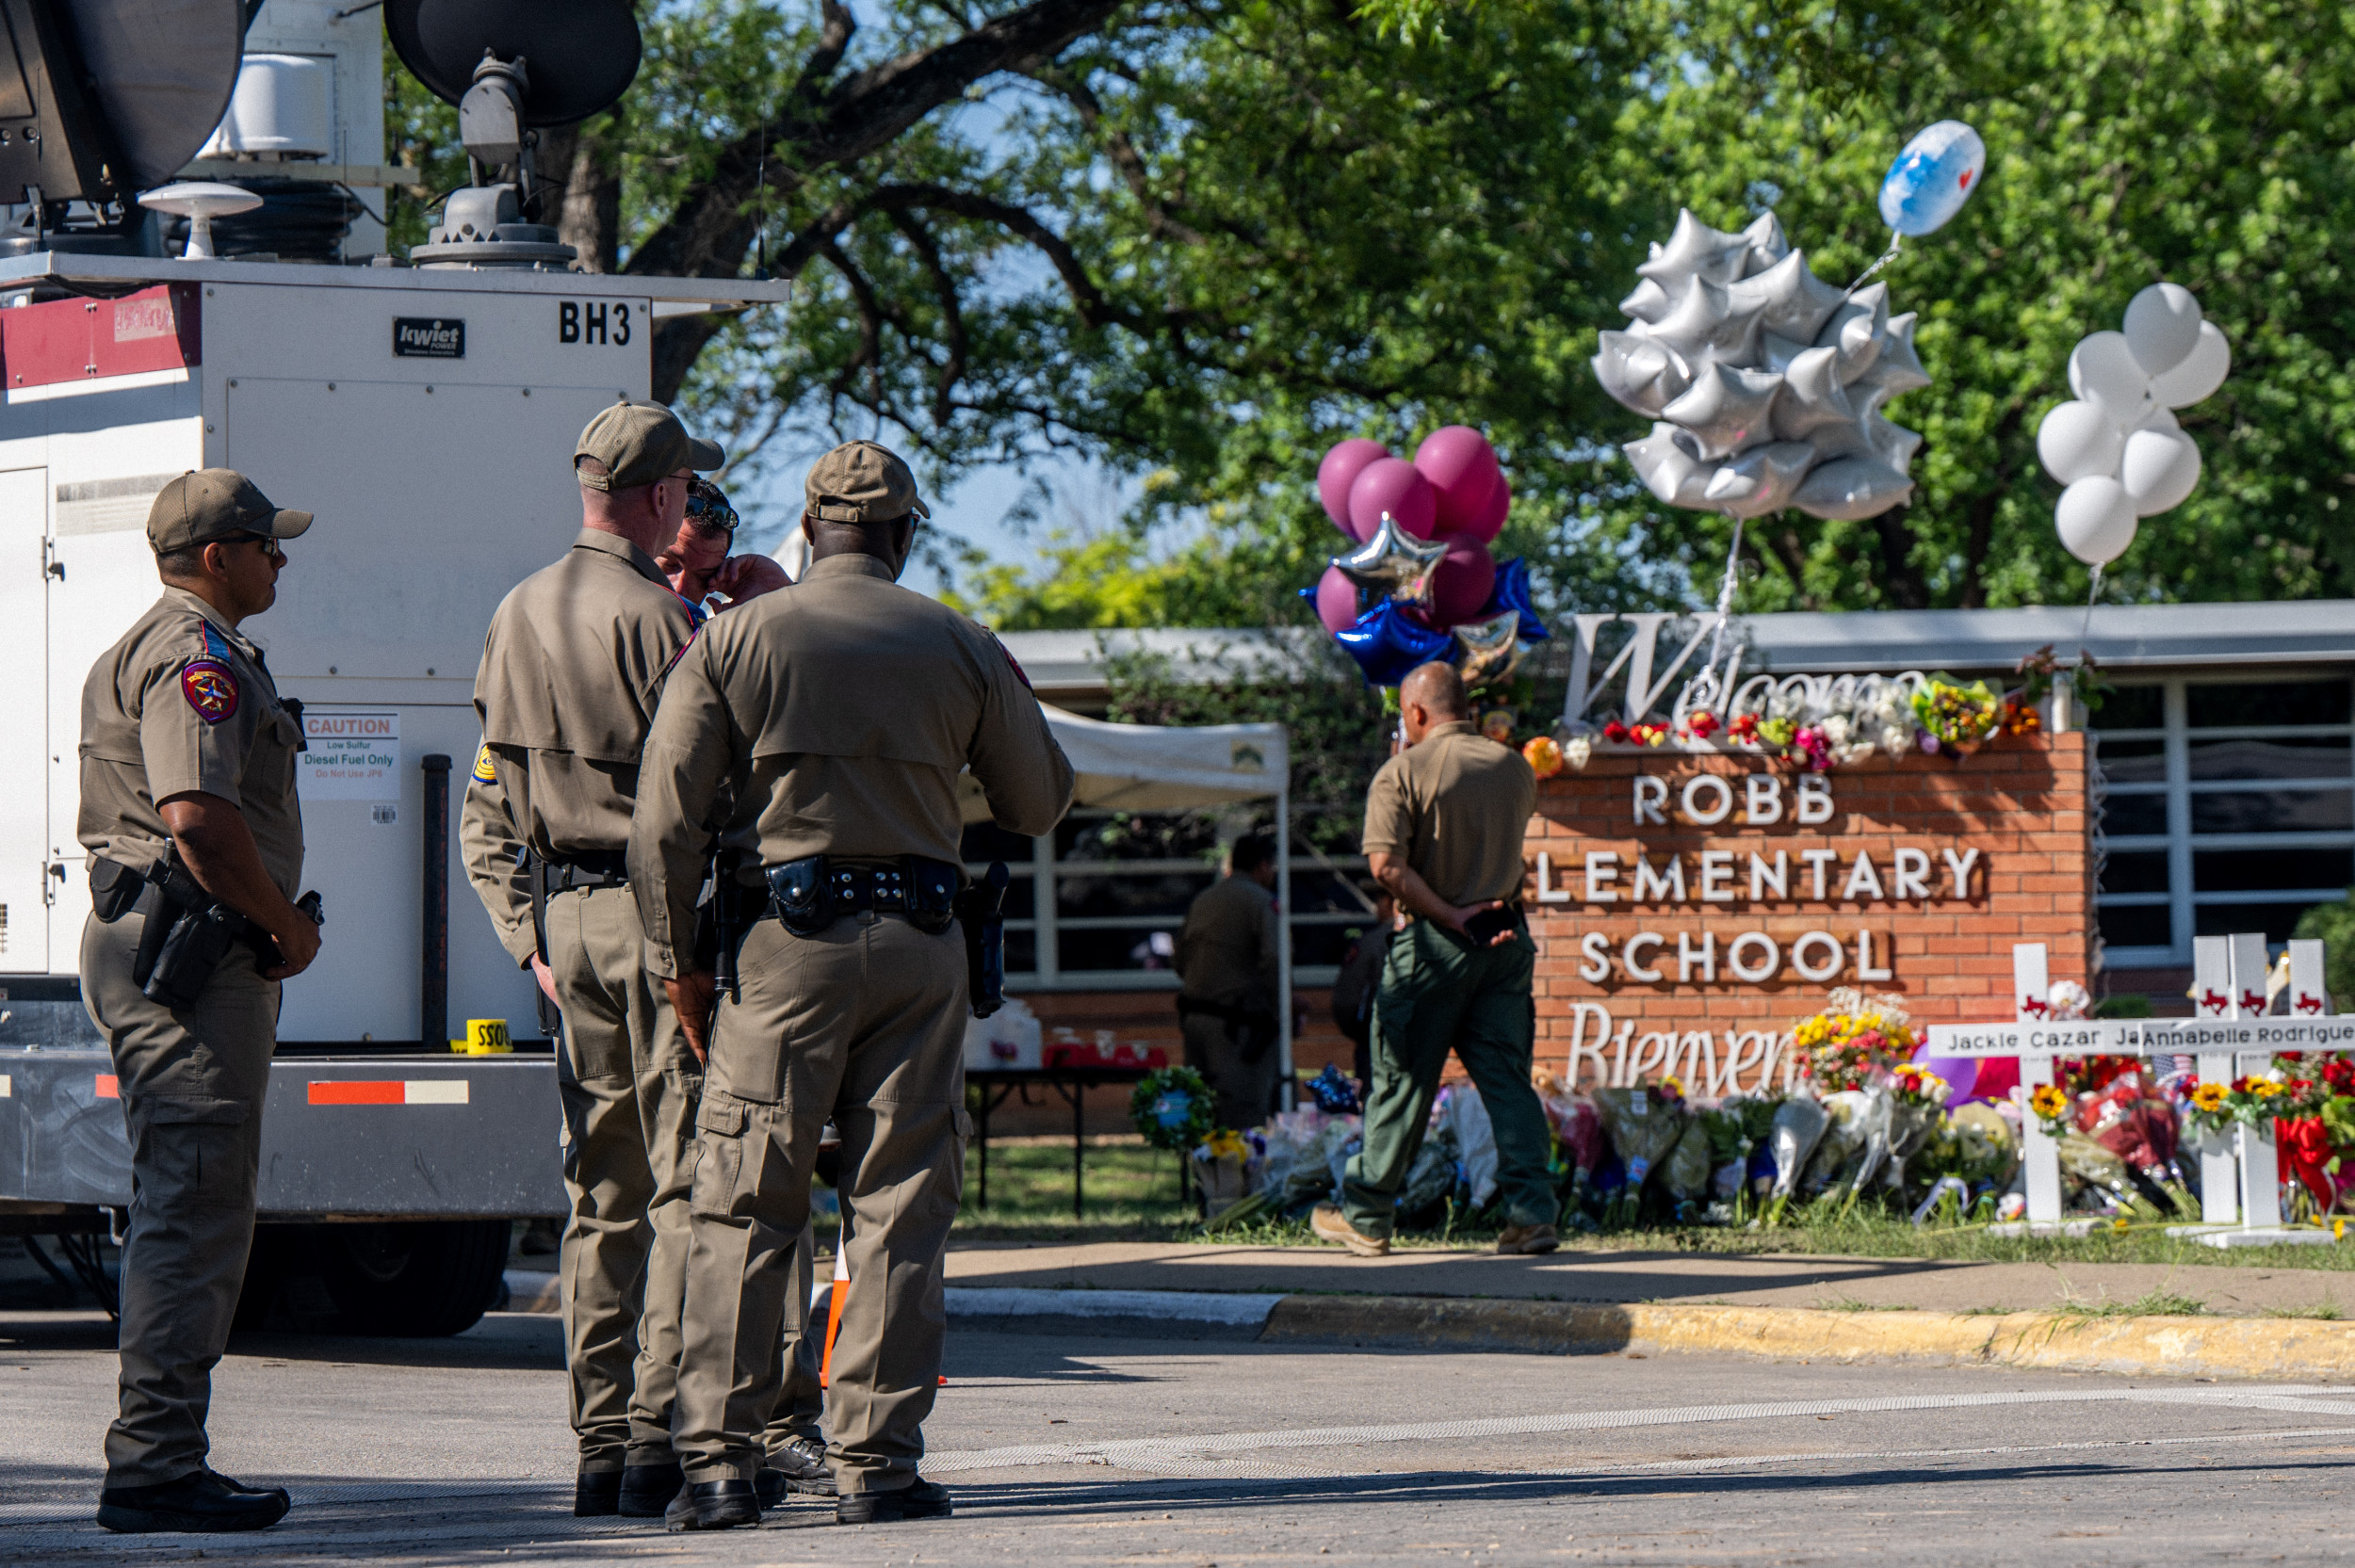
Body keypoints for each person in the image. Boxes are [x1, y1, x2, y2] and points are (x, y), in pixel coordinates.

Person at [630, 438, 1073, 1531]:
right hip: (921, 947)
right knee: (898, 1209)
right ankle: (876, 1465)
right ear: (905, 533)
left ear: (809, 527)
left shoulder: (733, 640)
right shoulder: (961, 643)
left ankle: (721, 1467)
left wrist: (677, 964)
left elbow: (663, 824)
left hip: (783, 948)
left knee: (742, 1202)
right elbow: (1039, 799)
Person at [458, 399, 799, 1521]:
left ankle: (598, 1443)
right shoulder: (661, 621)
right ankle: (658, 1433)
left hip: (568, 923)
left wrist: (527, 933)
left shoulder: (515, 610)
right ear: (659, 494)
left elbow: (486, 797)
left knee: (599, 1192)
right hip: (661, 925)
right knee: (685, 1186)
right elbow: (727, 789)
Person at [80, 470, 321, 1533]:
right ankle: (154, 1463)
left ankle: (160, 1451)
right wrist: (284, 925)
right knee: (193, 1199)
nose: (281, 559)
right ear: (216, 556)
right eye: (267, 544)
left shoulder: (187, 646)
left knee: (190, 1195)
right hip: (192, 949)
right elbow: (200, 820)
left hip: (180, 942)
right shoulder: (196, 656)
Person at [1312, 661, 1559, 1259]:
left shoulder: (1403, 772)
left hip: (1435, 945)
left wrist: (1451, 916)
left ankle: (1367, 1214)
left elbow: (1386, 868)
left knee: (1401, 1080)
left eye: (1405, 715)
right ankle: (1531, 1216)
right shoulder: (1516, 767)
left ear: (1416, 714)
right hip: (1505, 942)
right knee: (1508, 1083)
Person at [1174, 834, 1282, 1132]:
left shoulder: (1204, 899)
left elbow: (1180, 958)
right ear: (1262, 865)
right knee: (1243, 1116)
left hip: (1195, 1020)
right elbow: (1273, 960)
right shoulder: (1261, 901)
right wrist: (1280, 1006)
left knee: (1201, 1112)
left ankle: (1204, 1178)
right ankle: (1240, 1178)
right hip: (1238, 1028)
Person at [1328, 881, 1396, 1091]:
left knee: (1374, 1104)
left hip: (1377, 1041)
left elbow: (1346, 1000)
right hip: (1425, 1048)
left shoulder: (1373, 942)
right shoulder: (1432, 938)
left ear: (1388, 901)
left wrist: (1362, 1034)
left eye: (1378, 900)